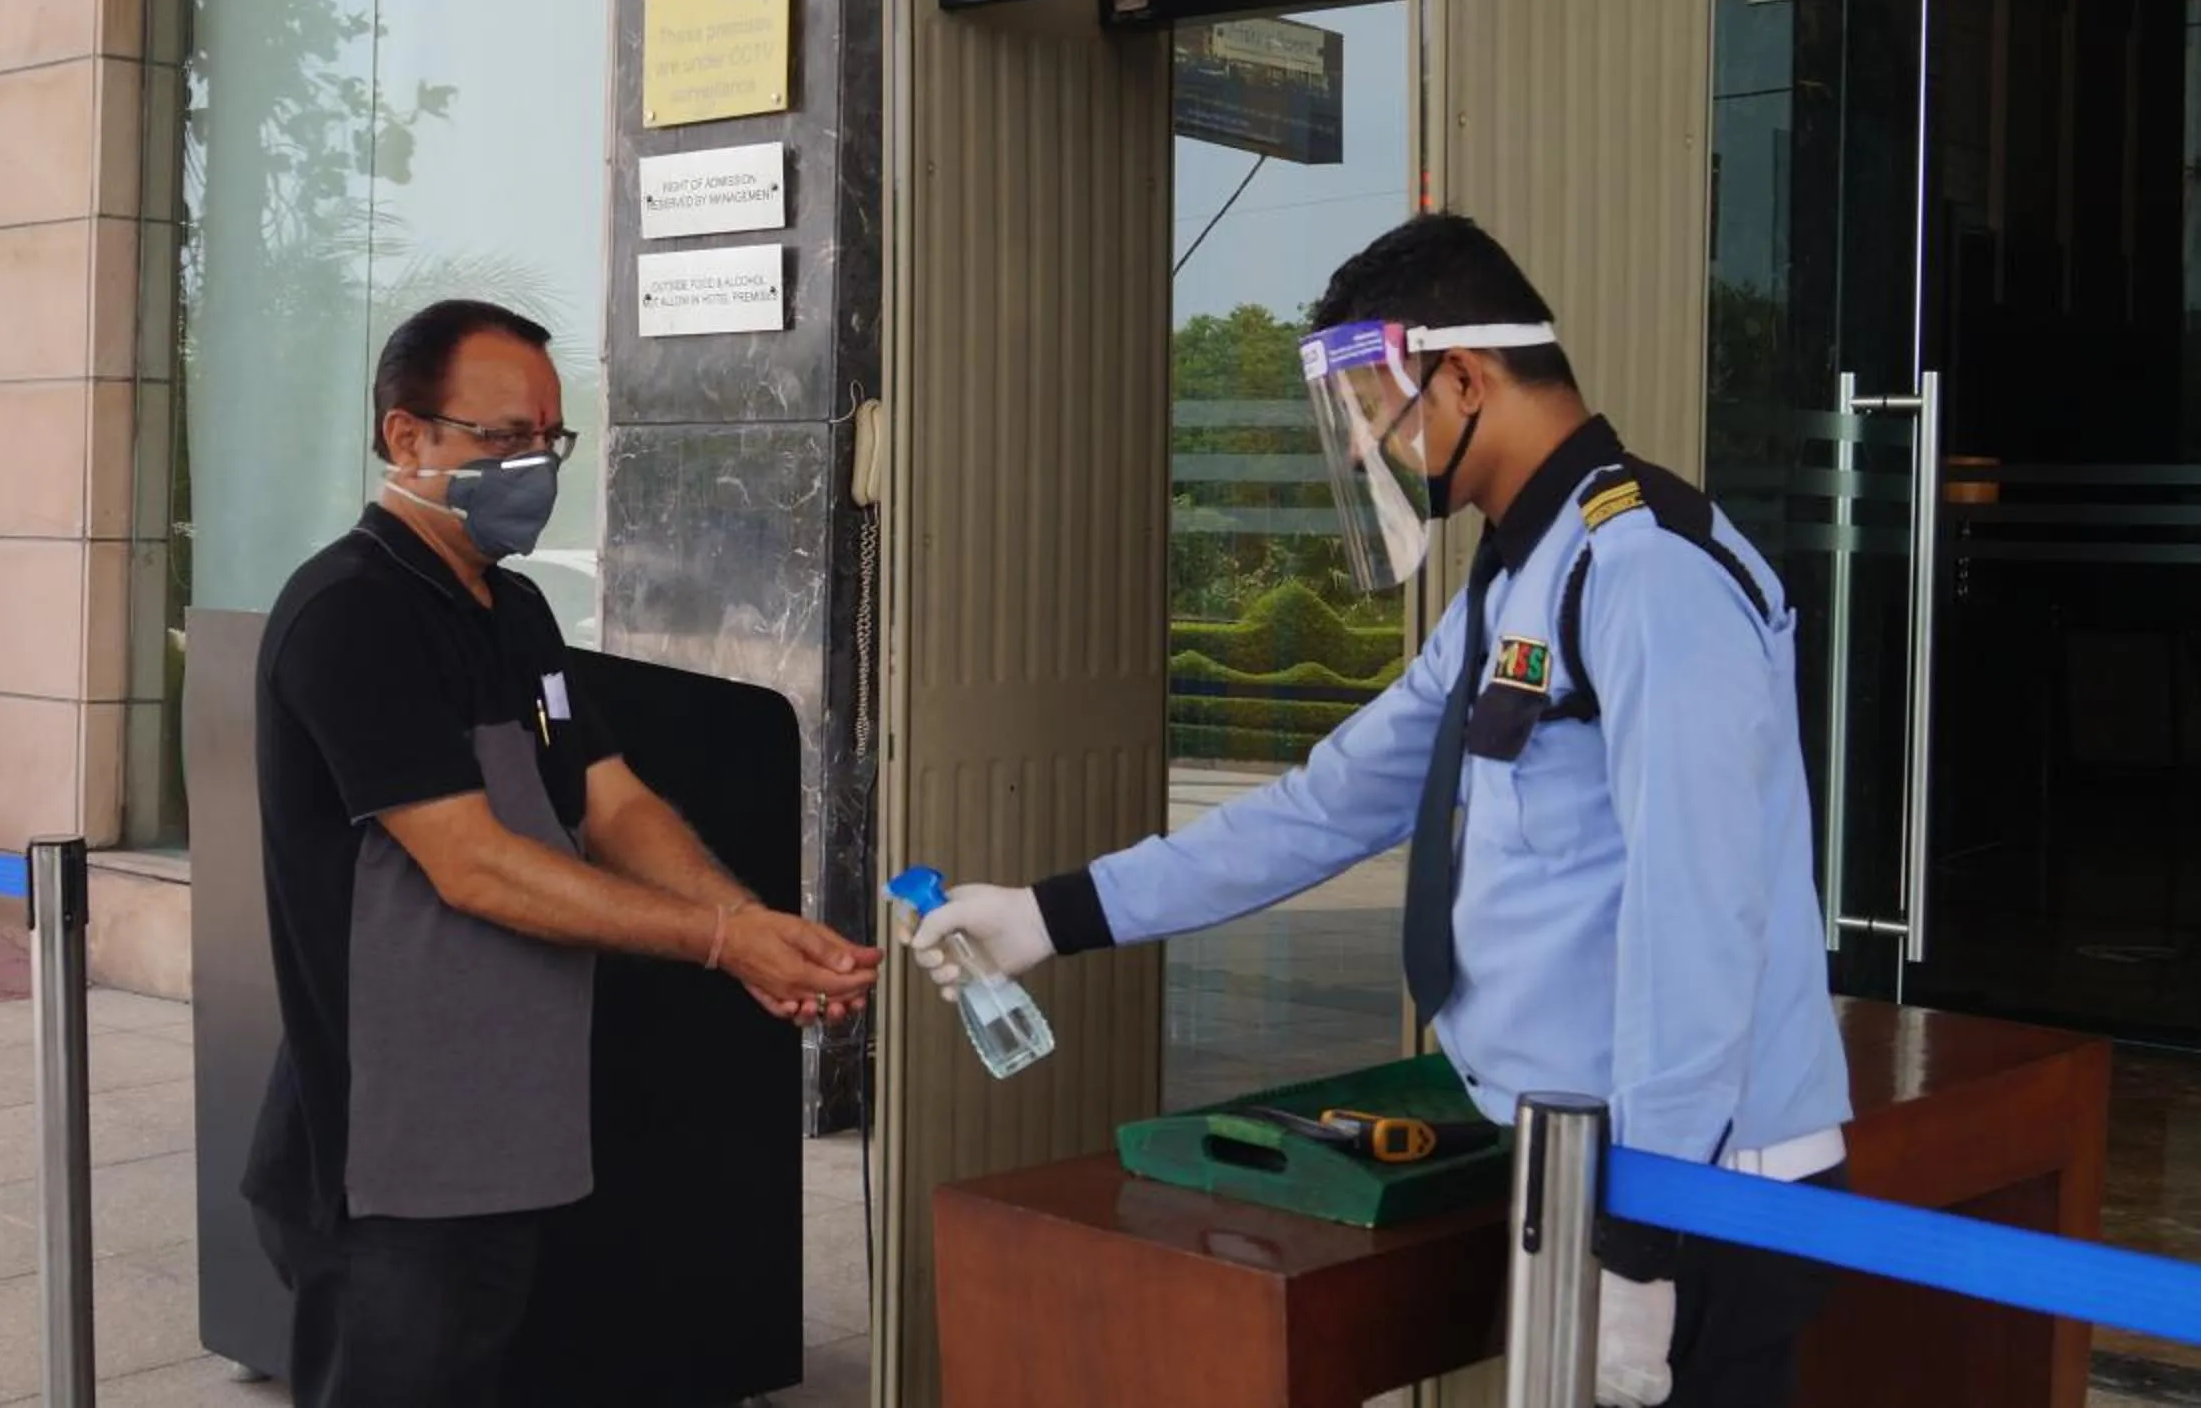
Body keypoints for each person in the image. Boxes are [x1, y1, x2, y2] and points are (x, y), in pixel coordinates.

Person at [904, 215, 1853, 1408]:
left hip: (1701, 1189)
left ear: (1465, 375)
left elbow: (1700, 915)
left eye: (1380, 409)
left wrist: (1645, 1240)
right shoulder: (1521, 575)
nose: (1370, 449)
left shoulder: (1643, 568)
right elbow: (1325, 806)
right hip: (1580, 1168)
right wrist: (1051, 915)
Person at [245, 300, 880, 1408]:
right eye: (502, 439)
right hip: (393, 1159)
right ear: (408, 438)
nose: (532, 463)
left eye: (548, 437)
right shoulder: (352, 614)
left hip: (512, 1133)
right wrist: (724, 941)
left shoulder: (514, 610)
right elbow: (472, 864)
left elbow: (614, 803)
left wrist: (755, 926)